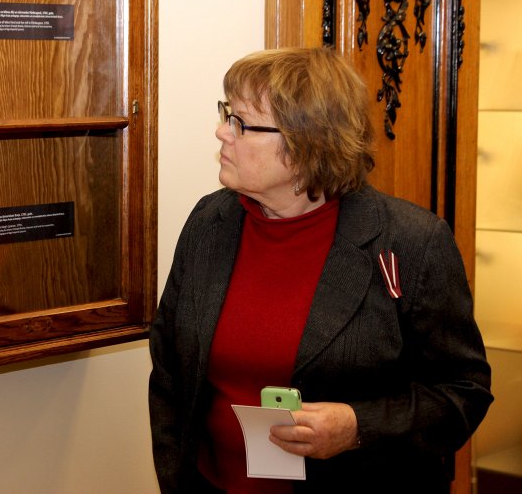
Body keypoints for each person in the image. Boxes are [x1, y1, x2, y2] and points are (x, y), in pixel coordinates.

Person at [148, 47, 493, 493]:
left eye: (241, 123)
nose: (221, 132)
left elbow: (463, 393)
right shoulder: (210, 222)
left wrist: (357, 426)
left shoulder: (411, 242)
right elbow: (171, 371)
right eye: (226, 114)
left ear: (304, 143)